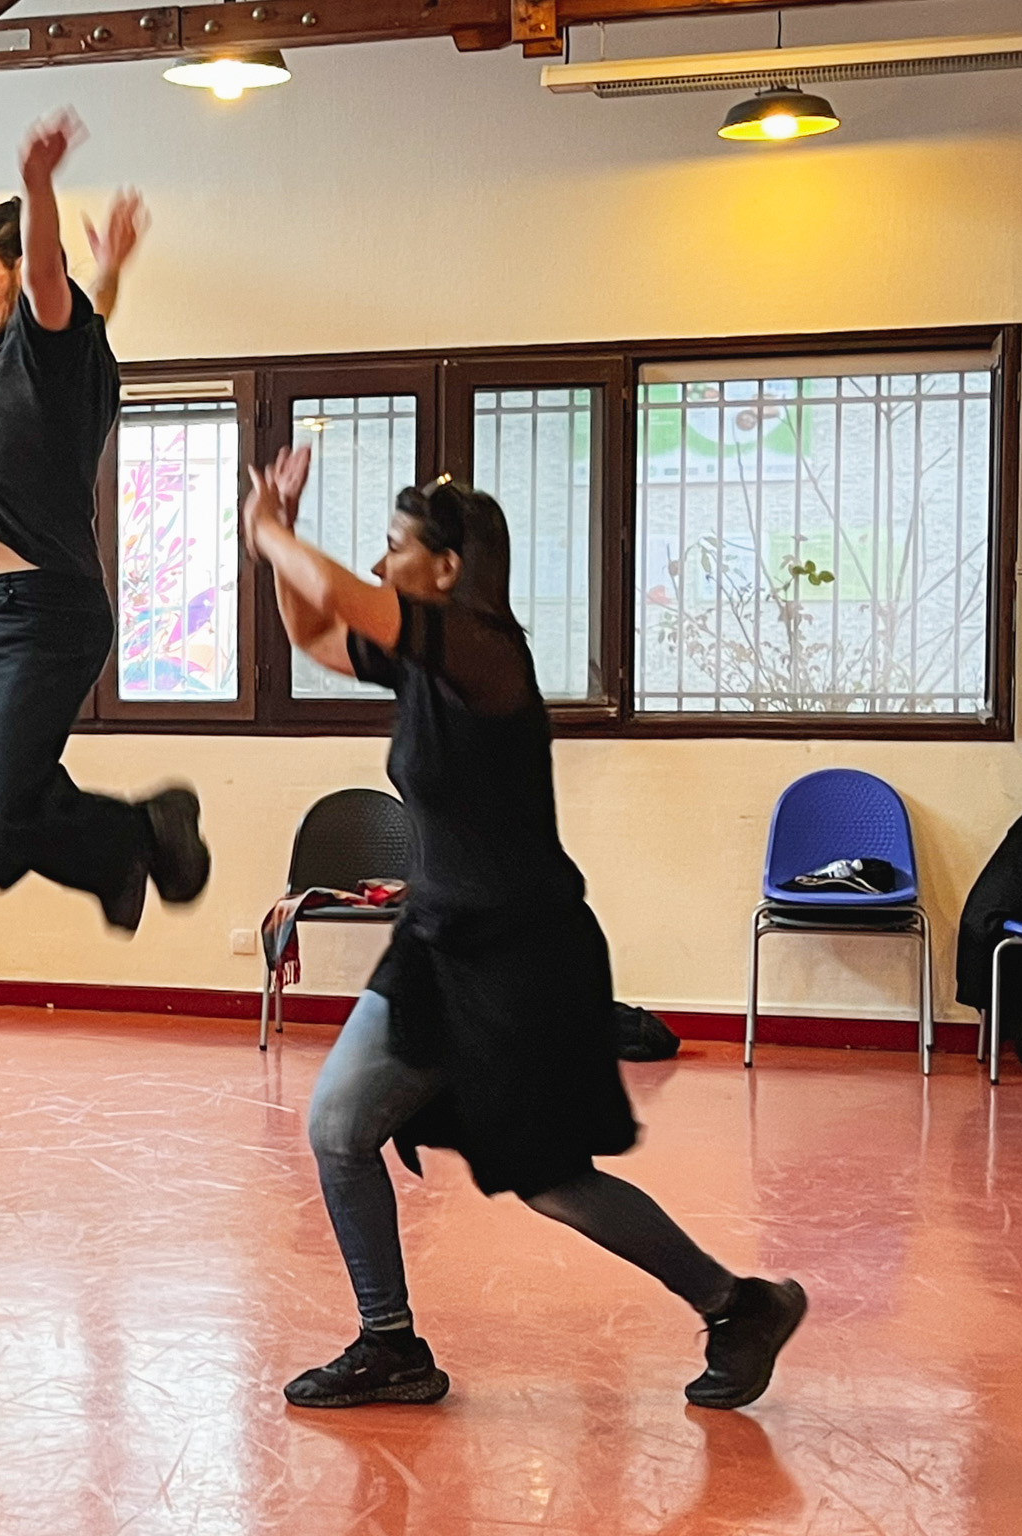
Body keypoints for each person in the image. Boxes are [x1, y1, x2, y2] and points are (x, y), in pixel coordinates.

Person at [242, 453, 808, 1412]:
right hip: (434, 945)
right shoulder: (420, 660)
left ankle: (738, 1304)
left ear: (448, 567)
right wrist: (276, 540)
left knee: (550, 1182)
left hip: (524, 959)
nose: (379, 566)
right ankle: (391, 1345)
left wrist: (271, 532)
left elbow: (341, 594)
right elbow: (314, 631)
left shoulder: (487, 654)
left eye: (394, 548)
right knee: (338, 1127)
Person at [0, 110, 210, 934]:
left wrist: (38, 184)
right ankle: (83, 842)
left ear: (20, 275)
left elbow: (51, 282)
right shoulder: (47, 361)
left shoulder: (46, 342)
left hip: (46, 616)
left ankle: (136, 834)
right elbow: (91, 306)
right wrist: (113, 267)